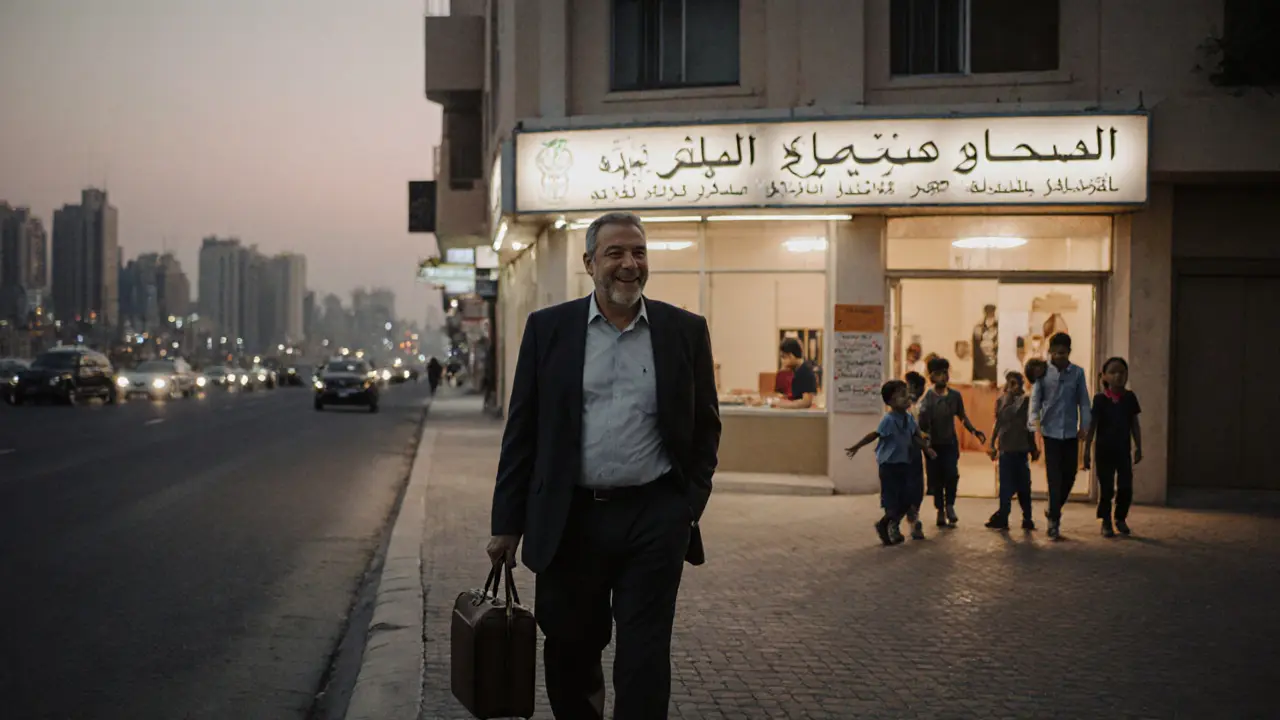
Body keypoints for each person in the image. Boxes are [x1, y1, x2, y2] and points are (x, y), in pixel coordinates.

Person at [487, 211, 720, 720]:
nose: (629, 264)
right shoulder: (549, 330)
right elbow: (522, 432)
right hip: (570, 520)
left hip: (653, 517)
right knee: (571, 647)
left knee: (645, 654)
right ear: (590, 262)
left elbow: (706, 428)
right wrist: (507, 524)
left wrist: (686, 507)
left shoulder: (684, 331)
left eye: (638, 252)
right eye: (615, 253)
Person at [845, 379, 935, 546]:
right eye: (902, 395)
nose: (907, 397)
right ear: (891, 402)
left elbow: (915, 436)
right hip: (890, 466)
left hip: (904, 464)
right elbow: (875, 434)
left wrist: (927, 449)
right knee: (892, 501)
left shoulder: (908, 418)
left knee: (907, 499)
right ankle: (886, 525)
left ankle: (887, 524)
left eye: (907, 393)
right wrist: (857, 446)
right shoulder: (889, 420)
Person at [1027, 332, 1092, 539]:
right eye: (1055, 353)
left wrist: (1085, 425)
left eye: (1063, 353)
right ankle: (1054, 520)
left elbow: (1084, 401)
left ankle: (1053, 508)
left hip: (1071, 432)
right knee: (1054, 477)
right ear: (1050, 352)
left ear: (1069, 352)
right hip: (1051, 432)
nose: (1059, 357)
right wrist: (1033, 426)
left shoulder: (1078, 373)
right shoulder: (1043, 373)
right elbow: (1035, 400)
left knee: (1070, 474)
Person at [918, 356, 987, 528]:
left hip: (949, 443)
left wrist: (974, 430)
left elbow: (962, 416)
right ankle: (940, 511)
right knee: (936, 480)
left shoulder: (955, 396)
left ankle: (950, 506)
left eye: (945, 373)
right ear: (931, 377)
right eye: (938, 374)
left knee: (951, 475)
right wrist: (925, 446)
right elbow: (922, 427)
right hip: (934, 446)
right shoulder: (927, 399)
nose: (943, 377)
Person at [1083, 357, 1143, 537]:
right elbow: (1092, 425)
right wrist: (1086, 450)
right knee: (1106, 488)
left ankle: (1120, 518)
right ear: (1105, 376)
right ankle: (1106, 521)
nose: (1118, 376)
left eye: (1122, 372)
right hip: (1103, 450)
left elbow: (1134, 424)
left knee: (1125, 486)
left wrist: (1139, 446)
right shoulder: (1100, 399)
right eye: (1113, 372)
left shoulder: (1129, 398)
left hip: (1123, 450)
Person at [985, 371, 1039, 531]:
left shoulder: (1027, 401)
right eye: (1009, 383)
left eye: (1014, 383)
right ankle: (1003, 516)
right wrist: (992, 443)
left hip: (1021, 449)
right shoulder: (1001, 400)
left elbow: (1030, 427)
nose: (1011, 387)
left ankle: (1027, 517)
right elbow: (999, 422)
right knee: (1005, 486)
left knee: (1024, 486)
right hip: (1006, 449)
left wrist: (1033, 448)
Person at [903, 371, 929, 540]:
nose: (912, 390)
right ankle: (907, 520)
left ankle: (914, 518)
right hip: (901, 453)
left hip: (915, 453)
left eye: (915, 387)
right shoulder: (900, 407)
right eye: (909, 386)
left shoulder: (921, 407)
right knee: (904, 488)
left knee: (918, 487)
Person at [768, 338, 817, 409]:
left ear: (791, 355)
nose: (782, 362)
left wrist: (782, 405)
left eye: (784, 357)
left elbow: (806, 402)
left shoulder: (805, 371)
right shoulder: (797, 371)